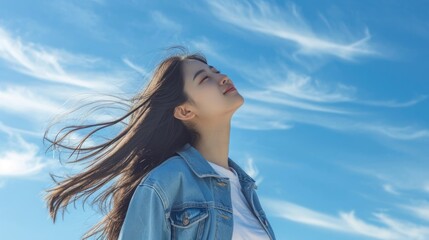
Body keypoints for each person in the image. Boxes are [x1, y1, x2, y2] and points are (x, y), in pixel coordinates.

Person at [44, 46, 276, 240]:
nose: (222, 77)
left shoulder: (246, 189)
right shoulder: (165, 181)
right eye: (205, 79)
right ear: (184, 110)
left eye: (216, 71)